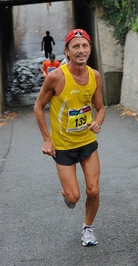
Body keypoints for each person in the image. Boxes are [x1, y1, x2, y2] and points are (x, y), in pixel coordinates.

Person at [34, 29, 106, 246]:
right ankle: (67, 194)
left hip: (86, 142)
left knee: (93, 189)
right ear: (67, 51)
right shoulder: (56, 76)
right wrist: (47, 139)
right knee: (73, 197)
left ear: (90, 50)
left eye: (85, 46)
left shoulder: (95, 76)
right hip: (63, 146)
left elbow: (101, 108)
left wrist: (97, 121)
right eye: (76, 46)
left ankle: (88, 228)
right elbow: (38, 107)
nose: (81, 50)